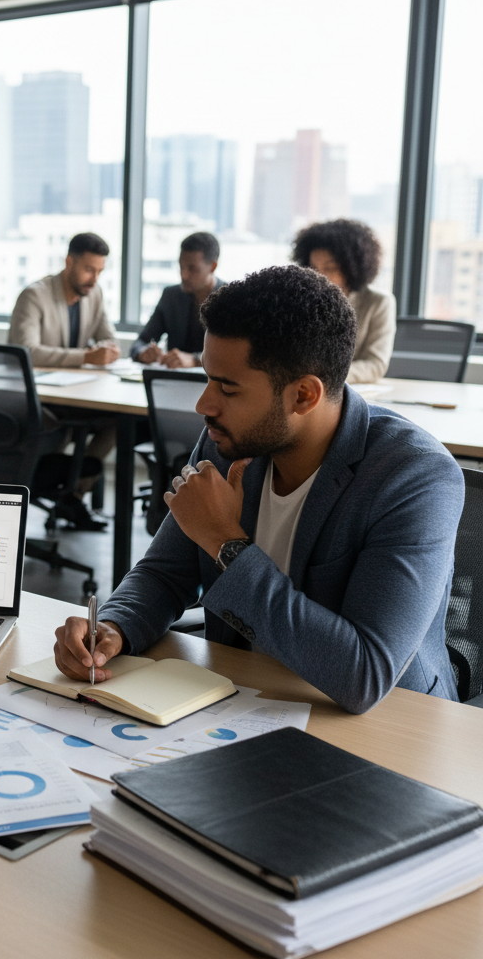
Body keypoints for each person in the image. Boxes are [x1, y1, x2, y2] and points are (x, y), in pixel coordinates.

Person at [52, 265, 463, 715]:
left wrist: (225, 544)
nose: (203, 405)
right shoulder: (228, 441)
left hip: (388, 727)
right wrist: (115, 626)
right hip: (243, 701)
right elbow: (164, 573)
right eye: (208, 378)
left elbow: (363, 674)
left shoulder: (415, 477)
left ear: (304, 395)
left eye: (227, 388)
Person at [7, 231, 119, 531]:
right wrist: (85, 356)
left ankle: (73, 495)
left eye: (99, 271)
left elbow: (108, 336)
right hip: (39, 401)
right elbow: (26, 350)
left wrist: (109, 349)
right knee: (63, 430)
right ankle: (58, 489)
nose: (94, 278)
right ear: (69, 261)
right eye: (88, 269)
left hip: (76, 394)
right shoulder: (35, 295)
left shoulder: (92, 294)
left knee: (117, 422)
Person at [292, 218, 396, 384]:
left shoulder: (379, 303)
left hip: (346, 392)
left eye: (330, 268)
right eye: (313, 268)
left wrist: (324, 379)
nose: (319, 275)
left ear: (351, 268)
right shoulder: (301, 300)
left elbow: (375, 365)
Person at [130, 231, 223, 368]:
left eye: (192, 269)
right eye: (181, 266)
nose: (183, 275)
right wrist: (143, 352)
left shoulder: (230, 299)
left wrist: (196, 360)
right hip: (171, 381)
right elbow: (140, 342)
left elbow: (237, 355)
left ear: (212, 267)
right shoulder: (171, 296)